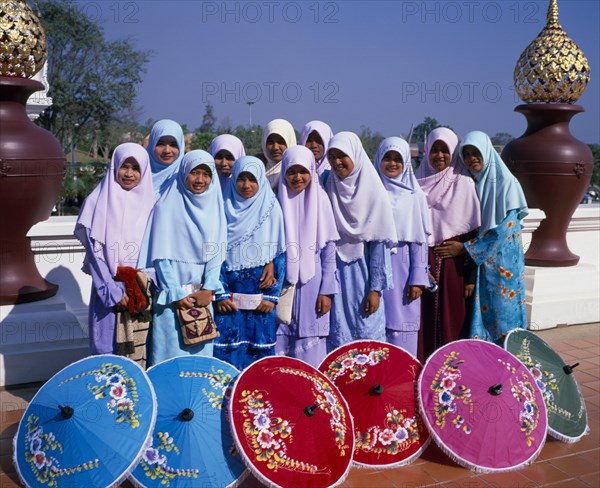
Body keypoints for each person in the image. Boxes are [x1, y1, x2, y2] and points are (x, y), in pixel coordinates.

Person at [436, 131, 528, 344]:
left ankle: (508, 364)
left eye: (476, 153)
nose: (471, 159)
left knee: (504, 317)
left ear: (487, 152)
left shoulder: (507, 185)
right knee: (484, 319)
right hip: (482, 268)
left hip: (504, 269)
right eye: (466, 154)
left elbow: (503, 233)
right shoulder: (474, 184)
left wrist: (464, 248)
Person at [137, 150, 227, 365]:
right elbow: (160, 256)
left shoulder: (215, 207)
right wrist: (176, 293)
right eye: (194, 172)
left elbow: (216, 254)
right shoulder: (166, 206)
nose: (200, 180)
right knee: (169, 360)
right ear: (184, 172)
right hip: (171, 301)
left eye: (206, 174)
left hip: (202, 300)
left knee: (200, 365)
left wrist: (210, 288)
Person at [75, 143, 155, 355]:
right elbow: (95, 254)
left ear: (144, 171)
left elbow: (156, 248)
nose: (129, 173)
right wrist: (112, 291)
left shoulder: (152, 203)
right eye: (124, 166)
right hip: (109, 290)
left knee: (138, 350)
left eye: (136, 168)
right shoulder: (97, 201)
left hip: (141, 290)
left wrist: (145, 282)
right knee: (107, 349)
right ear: (114, 166)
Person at [325, 132, 396, 350]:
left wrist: (375, 290)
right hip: (336, 278)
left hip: (363, 278)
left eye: (342, 155)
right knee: (339, 337)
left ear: (355, 155)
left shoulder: (374, 193)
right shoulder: (330, 186)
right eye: (332, 156)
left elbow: (379, 247)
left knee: (367, 334)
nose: (337, 162)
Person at [214, 156, 286, 369]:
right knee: (228, 350)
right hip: (229, 301)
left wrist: (272, 296)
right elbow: (214, 256)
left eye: (252, 179)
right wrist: (221, 294)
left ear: (261, 181)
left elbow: (279, 254)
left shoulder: (271, 209)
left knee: (259, 353)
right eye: (241, 179)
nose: (246, 185)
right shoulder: (222, 209)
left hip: (261, 300)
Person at [417, 128, 481, 358]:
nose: (439, 155)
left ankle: (452, 372)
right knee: (423, 321)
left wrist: (470, 275)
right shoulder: (416, 183)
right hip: (422, 263)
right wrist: (419, 264)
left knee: (453, 319)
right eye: (434, 149)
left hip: (455, 266)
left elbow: (474, 233)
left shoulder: (464, 184)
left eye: (445, 150)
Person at [276, 145, 340, 367]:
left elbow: (329, 250)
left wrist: (327, 290)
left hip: (314, 286)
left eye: (303, 171)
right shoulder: (276, 201)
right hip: (283, 286)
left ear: (312, 171)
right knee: (281, 345)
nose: (297, 177)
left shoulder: (321, 201)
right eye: (291, 171)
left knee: (311, 348)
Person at [375, 137, 431, 357]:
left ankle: (402, 379)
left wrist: (418, 277)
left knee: (402, 321)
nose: (391, 163)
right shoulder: (373, 191)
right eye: (387, 158)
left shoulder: (414, 196)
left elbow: (420, 240)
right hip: (375, 264)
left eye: (397, 159)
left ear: (406, 161)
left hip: (403, 267)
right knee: (375, 320)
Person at [147, 119, 185, 196]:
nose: (167, 150)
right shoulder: (135, 175)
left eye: (173, 145)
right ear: (152, 144)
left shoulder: (186, 177)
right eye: (160, 144)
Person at [261, 118, 297, 190]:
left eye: (281, 142)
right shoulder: (256, 173)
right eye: (270, 142)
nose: (275, 148)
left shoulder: (298, 173)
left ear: (290, 142)